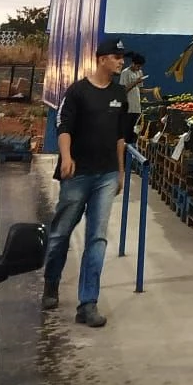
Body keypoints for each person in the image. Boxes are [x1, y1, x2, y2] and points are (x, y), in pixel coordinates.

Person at [41, 37, 129, 327]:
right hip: (77, 175)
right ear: (102, 59)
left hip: (106, 175)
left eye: (122, 57)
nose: (121, 62)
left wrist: (120, 172)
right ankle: (51, 282)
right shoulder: (78, 91)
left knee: (97, 238)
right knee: (60, 234)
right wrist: (66, 157)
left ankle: (88, 303)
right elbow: (63, 126)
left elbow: (120, 137)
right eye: (116, 57)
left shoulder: (119, 94)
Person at [118, 52, 147, 145]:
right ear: (133, 63)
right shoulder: (125, 73)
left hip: (137, 108)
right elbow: (123, 90)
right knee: (127, 133)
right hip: (128, 108)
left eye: (140, 67)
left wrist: (153, 90)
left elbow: (141, 90)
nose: (139, 68)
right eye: (138, 66)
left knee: (135, 133)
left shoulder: (139, 72)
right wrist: (135, 82)